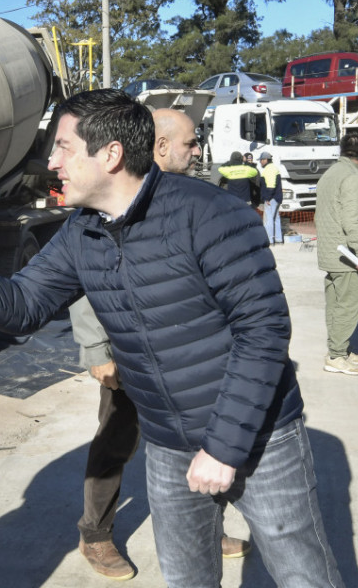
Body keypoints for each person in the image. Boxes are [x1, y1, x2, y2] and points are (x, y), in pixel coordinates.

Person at [0, 89, 343, 587]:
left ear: (111, 154)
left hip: (260, 437)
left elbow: (264, 331)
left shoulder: (209, 214)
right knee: (187, 580)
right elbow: (25, 305)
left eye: (63, 148)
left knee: (304, 576)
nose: (52, 162)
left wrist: (224, 448)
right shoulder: (83, 232)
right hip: (166, 442)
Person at [69, 107, 249, 580]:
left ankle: (204, 529)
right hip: (127, 357)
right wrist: (97, 351)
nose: (197, 152)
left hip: (184, 361)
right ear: (161, 147)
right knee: (117, 440)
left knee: (197, 442)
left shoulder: (188, 200)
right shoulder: (110, 200)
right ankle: (96, 534)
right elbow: (83, 280)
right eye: (190, 144)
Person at [315, 133, 358, 376]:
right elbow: (352, 221)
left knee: (335, 303)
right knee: (348, 305)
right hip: (348, 255)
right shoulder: (353, 179)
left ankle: (338, 348)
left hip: (332, 252)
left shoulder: (330, 174)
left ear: (341, 150)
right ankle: (336, 356)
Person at [260, 152, 284, 244]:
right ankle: (278, 239)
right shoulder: (274, 168)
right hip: (277, 197)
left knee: (268, 219)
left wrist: (267, 198)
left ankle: (269, 239)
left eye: (261, 160)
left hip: (271, 198)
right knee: (276, 218)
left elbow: (271, 185)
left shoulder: (269, 169)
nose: (260, 162)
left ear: (265, 160)